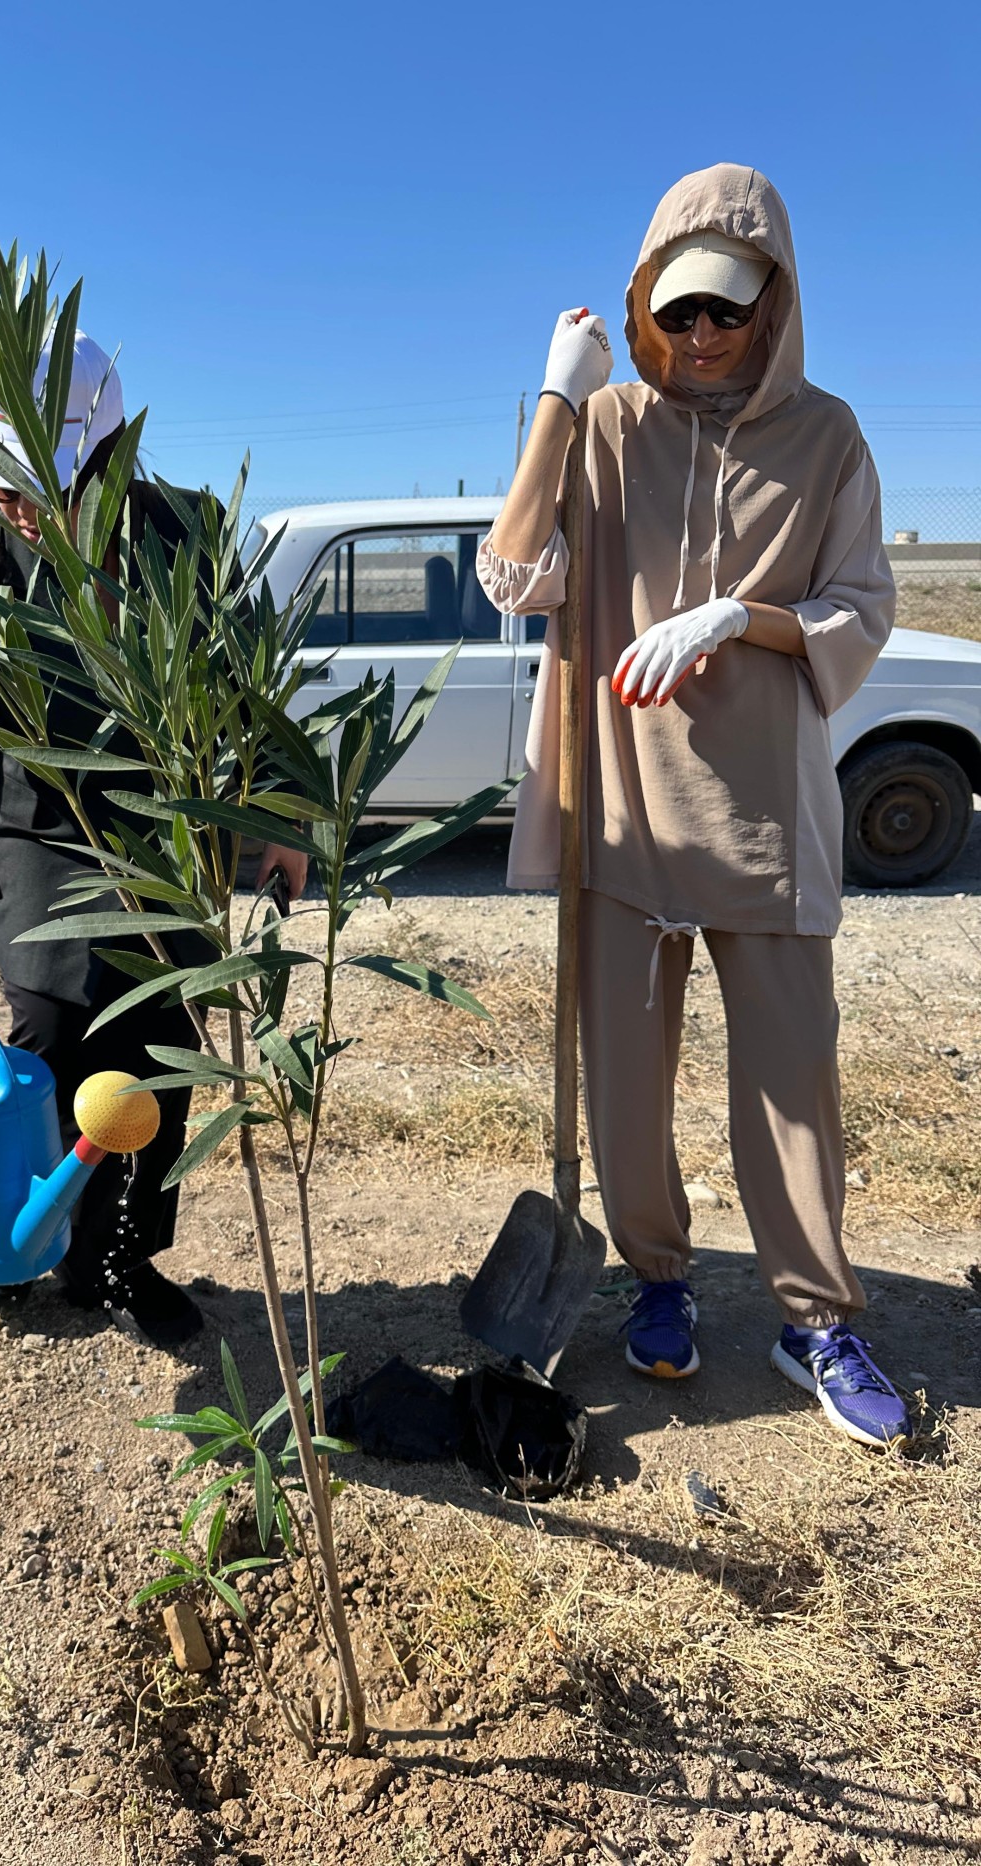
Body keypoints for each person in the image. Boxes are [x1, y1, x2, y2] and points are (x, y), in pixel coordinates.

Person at [478, 164, 911, 1448]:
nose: (702, 336)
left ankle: (814, 1318)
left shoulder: (827, 437)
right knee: (623, 1084)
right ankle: (658, 1279)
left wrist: (743, 616)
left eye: (726, 310)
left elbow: (862, 607)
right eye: (678, 314)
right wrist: (558, 397)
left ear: (773, 302)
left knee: (789, 1081)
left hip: (764, 815)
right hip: (620, 812)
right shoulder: (607, 426)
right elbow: (514, 574)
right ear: (644, 308)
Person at [0, 332, 305, 1348]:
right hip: (37, 835)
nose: (14, 506)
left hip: (164, 833)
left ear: (111, 454)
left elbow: (252, 683)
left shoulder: (187, 531)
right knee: (47, 1032)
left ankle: (120, 1261)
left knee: (159, 1053)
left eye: (35, 486)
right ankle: (20, 1242)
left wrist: (277, 813)